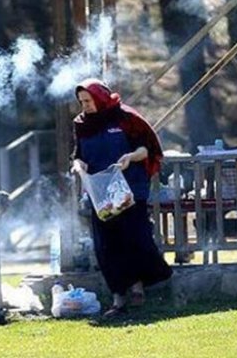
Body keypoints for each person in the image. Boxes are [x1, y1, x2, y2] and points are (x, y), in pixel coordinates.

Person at [70, 78, 172, 317]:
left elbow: (146, 148)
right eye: (81, 101)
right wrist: (78, 165)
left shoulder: (125, 117)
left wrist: (130, 157)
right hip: (100, 191)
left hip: (130, 187)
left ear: (100, 97)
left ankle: (145, 284)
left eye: (88, 100)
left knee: (136, 238)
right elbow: (78, 154)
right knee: (106, 246)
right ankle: (119, 298)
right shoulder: (81, 124)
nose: (85, 106)